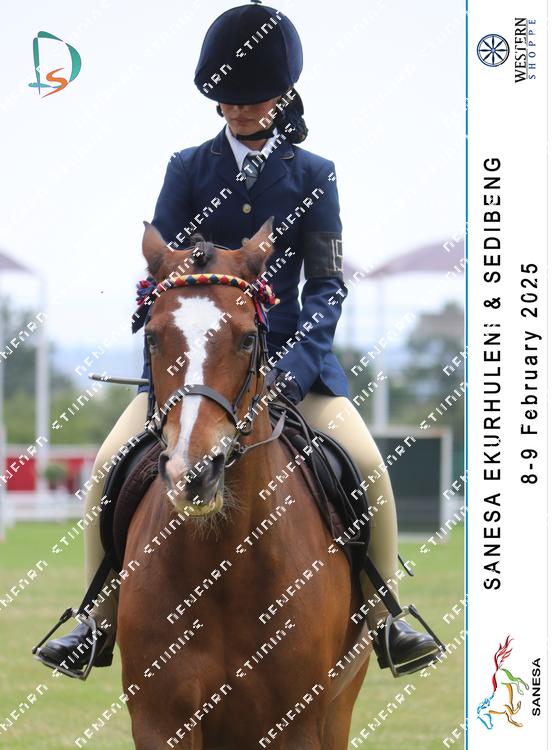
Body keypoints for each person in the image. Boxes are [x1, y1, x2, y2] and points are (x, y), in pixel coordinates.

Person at [37, 1, 441, 678]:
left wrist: (296, 366)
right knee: (107, 467)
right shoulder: (187, 168)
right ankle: (95, 619)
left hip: (293, 370)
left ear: (280, 97)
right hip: (195, 371)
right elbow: (162, 275)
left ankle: (386, 614)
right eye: (229, 99)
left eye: (253, 99)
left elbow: (327, 287)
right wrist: (171, 362)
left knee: (369, 469)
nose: (241, 111)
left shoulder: (314, 175)